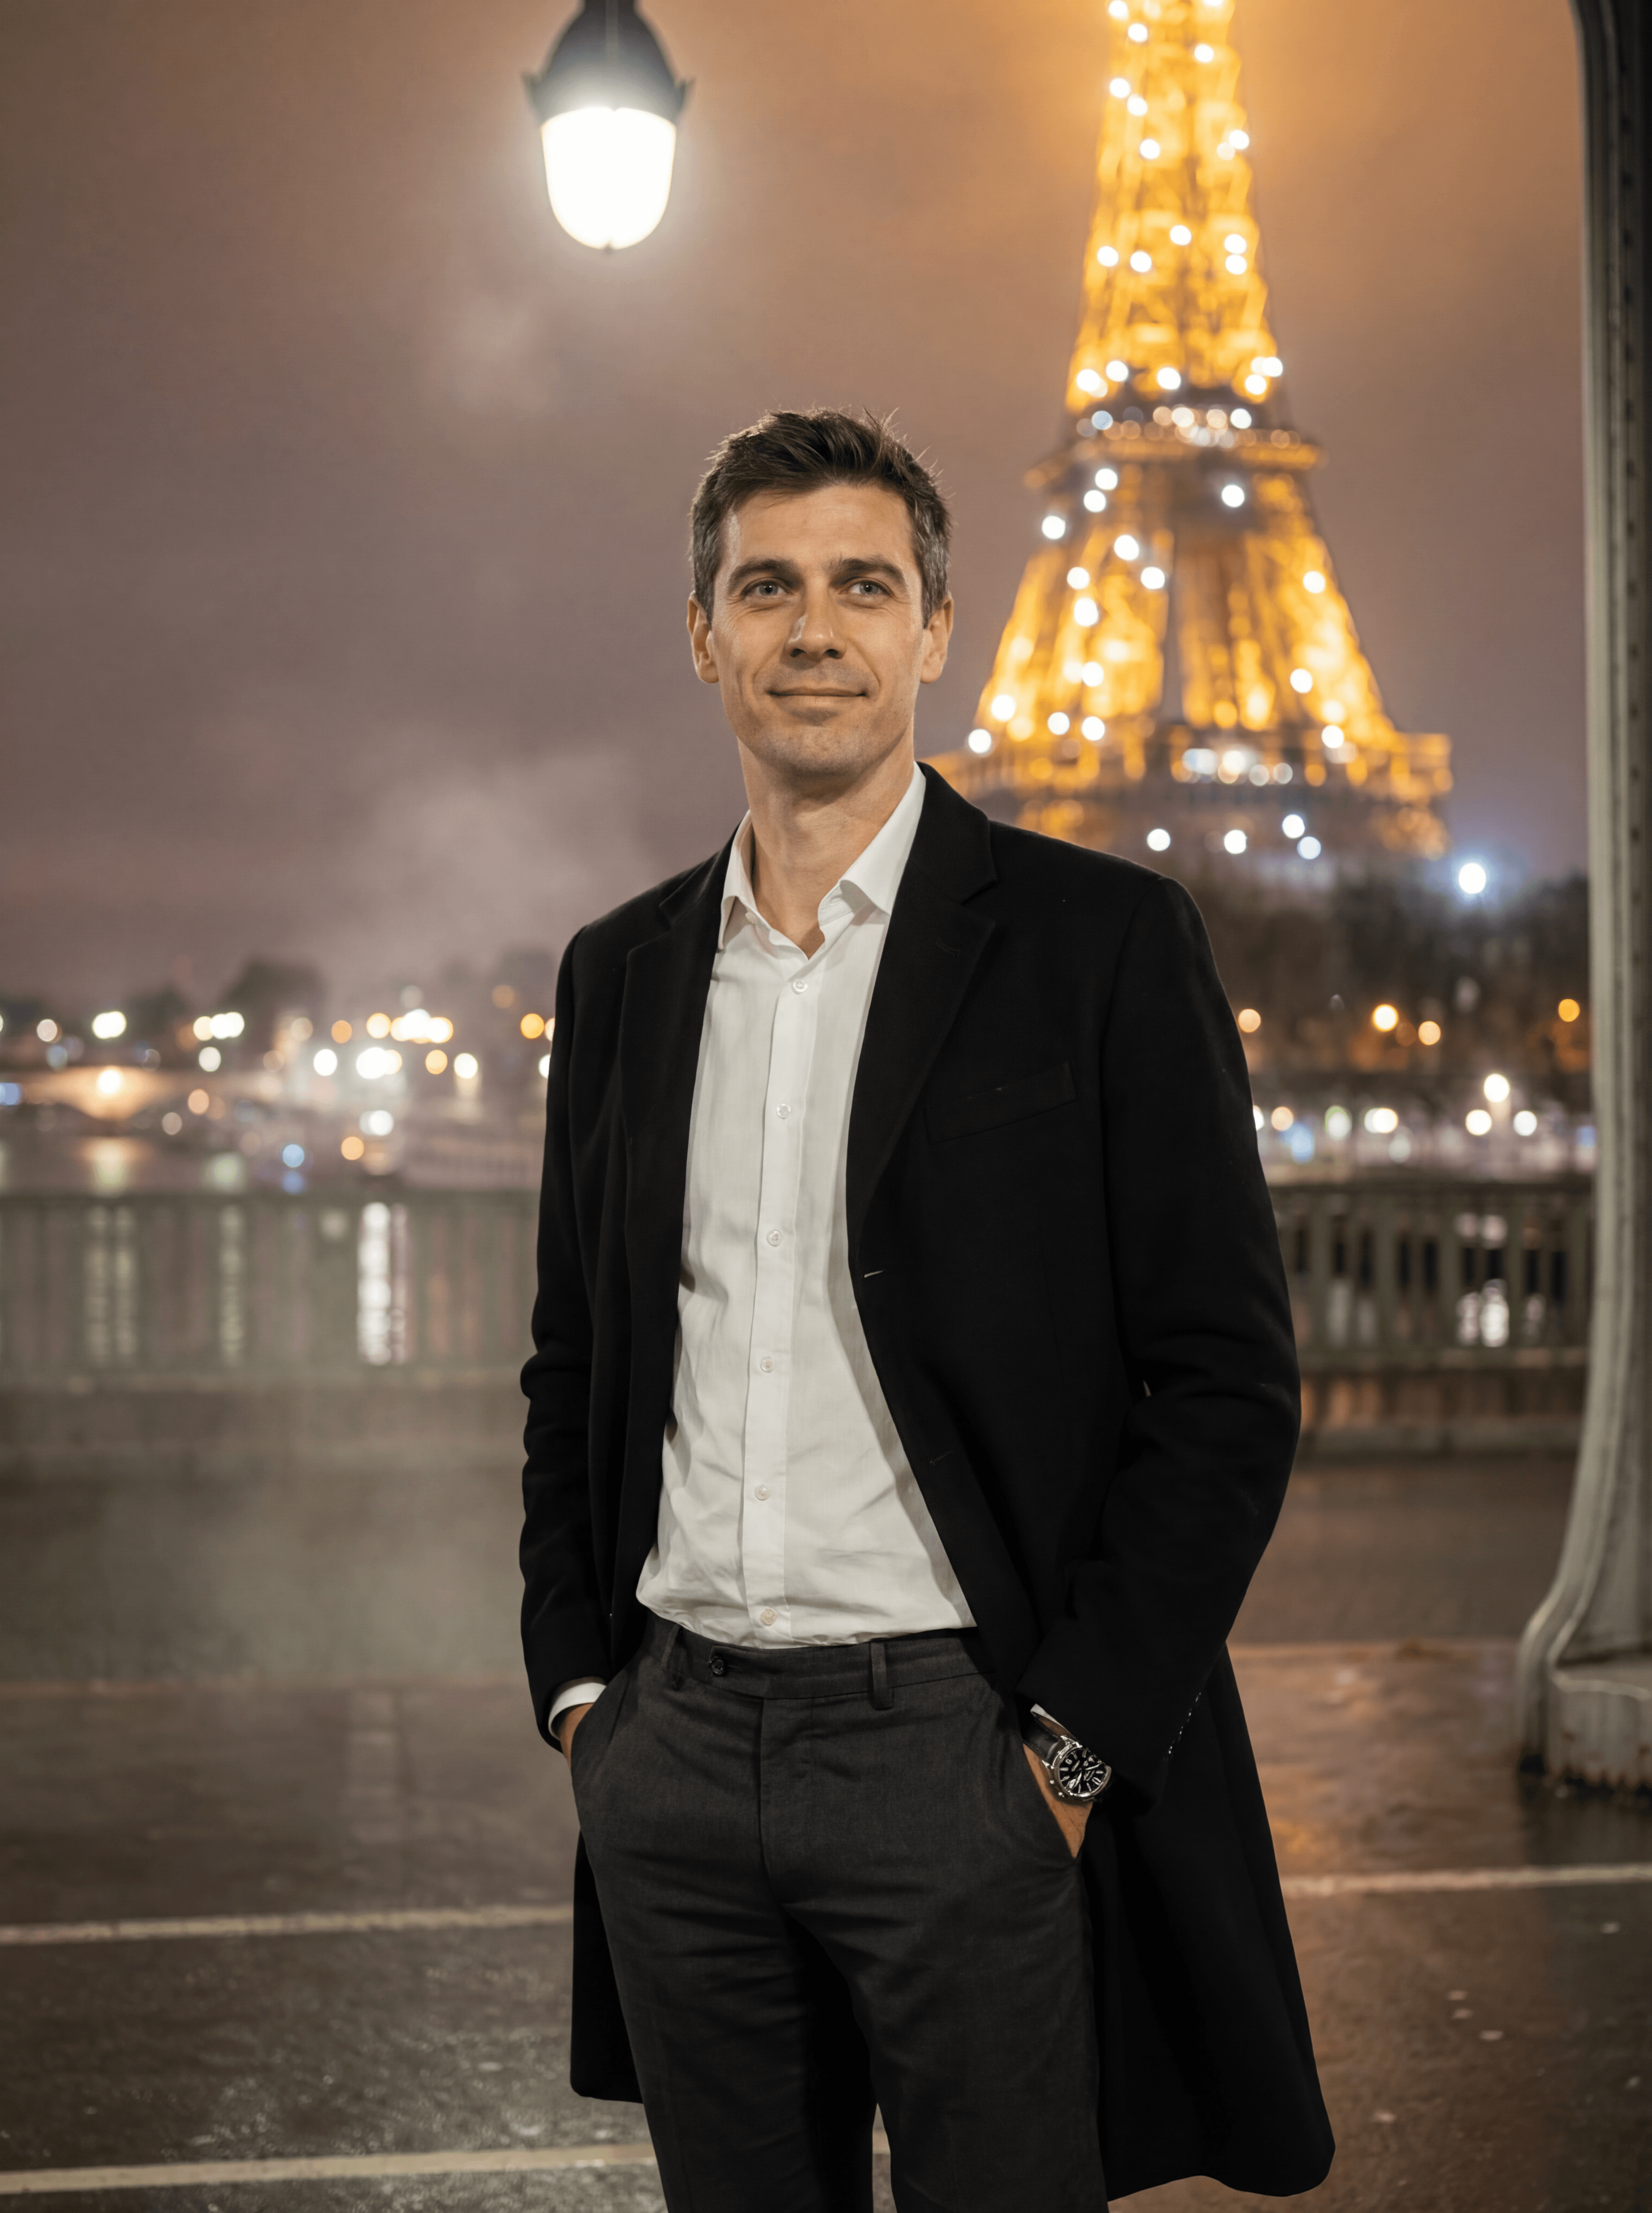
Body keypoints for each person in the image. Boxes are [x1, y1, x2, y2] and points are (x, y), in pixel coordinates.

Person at [519, 407, 1334, 2213]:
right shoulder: (622, 974)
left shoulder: (1099, 946)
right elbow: (572, 1356)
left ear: (933, 628)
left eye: (860, 585)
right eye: (769, 586)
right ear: (703, 632)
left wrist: (1060, 1750)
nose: (814, 628)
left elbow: (1223, 1386)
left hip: (958, 1749)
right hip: (672, 1756)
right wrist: (582, 1692)